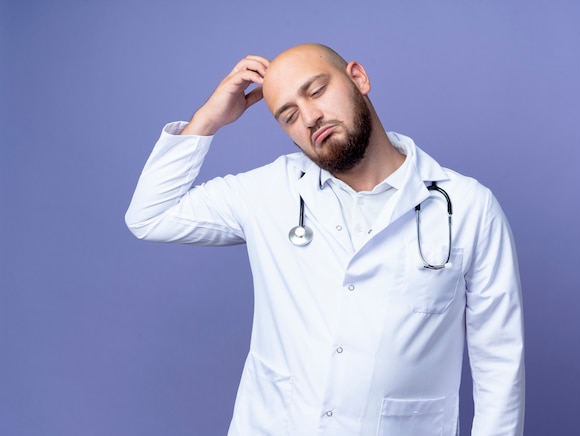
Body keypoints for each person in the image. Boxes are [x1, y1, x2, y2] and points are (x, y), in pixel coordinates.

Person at [125, 43, 525, 435]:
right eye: (289, 115)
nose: (310, 117)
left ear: (358, 78)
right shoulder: (268, 192)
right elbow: (150, 216)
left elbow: (499, 360)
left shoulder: (468, 206)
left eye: (316, 91)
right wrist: (208, 120)